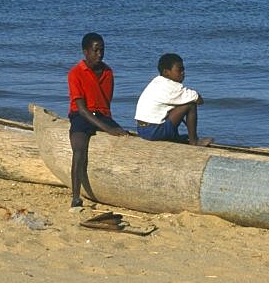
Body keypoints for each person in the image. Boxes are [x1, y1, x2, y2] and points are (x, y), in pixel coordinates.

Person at [67, 32, 127, 209]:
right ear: (85, 52)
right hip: (81, 115)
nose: (99, 54)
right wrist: (107, 129)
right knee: (79, 150)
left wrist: (109, 124)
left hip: (101, 115)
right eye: (95, 50)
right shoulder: (75, 73)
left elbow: (106, 102)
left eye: (102, 50)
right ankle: (76, 197)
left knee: (125, 139)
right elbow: (82, 109)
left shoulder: (108, 72)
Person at [134, 53, 211, 146]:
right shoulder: (172, 87)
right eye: (179, 70)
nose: (183, 73)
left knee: (175, 105)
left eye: (183, 69)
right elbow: (198, 100)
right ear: (166, 72)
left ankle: (174, 137)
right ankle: (194, 141)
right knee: (190, 105)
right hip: (154, 132)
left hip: (141, 130)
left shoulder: (156, 81)